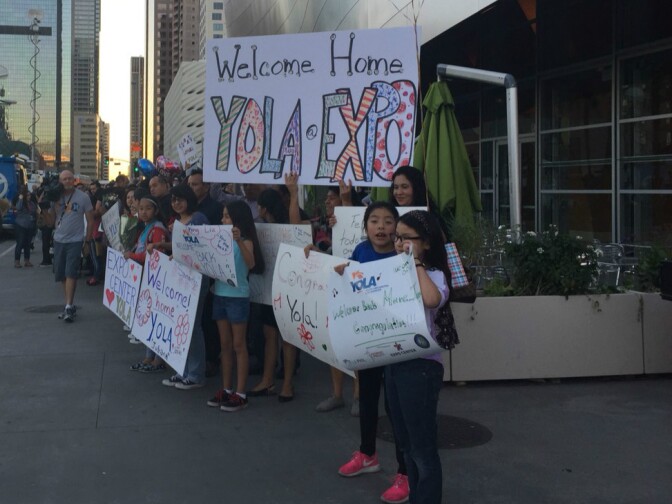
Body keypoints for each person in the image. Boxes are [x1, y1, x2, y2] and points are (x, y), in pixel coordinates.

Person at [328, 201, 410, 504]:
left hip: (398, 343)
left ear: (397, 228)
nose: (381, 227)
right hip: (368, 342)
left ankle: (405, 471)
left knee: (395, 408)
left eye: (389, 221)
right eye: (374, 221)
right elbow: (349, 284)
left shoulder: (405, 255)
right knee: (367, 399)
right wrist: (341, 271)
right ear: (366, 227)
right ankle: (367, 454)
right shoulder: (361, 252)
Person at [386, 210, 450, 504]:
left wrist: (416, 263)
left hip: (422, 367)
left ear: (424, 242)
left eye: (406, 238)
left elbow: (432, 299)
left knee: (422, 446)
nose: (399, 243)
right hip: (395, 362)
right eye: (397, 237)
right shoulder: (391, 269)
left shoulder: (433, 273)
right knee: (406, 444)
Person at [208, 200, 264, 412]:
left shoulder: (246, 240)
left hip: (238, 296)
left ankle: (240, 392)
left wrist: (239, 241)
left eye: (227, 216)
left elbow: (251, 264)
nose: (223, 220)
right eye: (222, 216)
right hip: (220, 294)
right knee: (225, 345)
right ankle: (227, 388)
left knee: (239, 345)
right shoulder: (218, 239)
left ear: (238, 219)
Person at [154, 184, 209, 389]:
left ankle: (195, 374)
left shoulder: (199, 219)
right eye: (173, 200)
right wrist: (163, 246)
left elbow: (203, 248)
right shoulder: (177, 221)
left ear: (189, 199)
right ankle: (183, 369)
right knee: (181, 326)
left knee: (192, 327)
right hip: (180, 279)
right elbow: (180, 248)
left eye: (180, 199)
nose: (176, 203)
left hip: (196, 279)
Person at [247, 188, 296, 402]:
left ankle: (286, 384)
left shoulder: (286, 227)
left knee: (286, 337)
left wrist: (294, 193)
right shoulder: (261, 229)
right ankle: (269, 379)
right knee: (271, 335)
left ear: (264, 207)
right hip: (269, 288)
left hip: (285, 288)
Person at [126, 195, 170, 372]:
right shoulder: (147, 227)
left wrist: (133, 256)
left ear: (156, 210)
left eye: (148, 208)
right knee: (148, 316)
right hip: (147, 278)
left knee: (155, 317)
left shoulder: (157, 229)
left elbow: (155, 256)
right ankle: (148, 357)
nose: (143, 212)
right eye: (141, 208)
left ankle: (157, 360)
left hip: (155, 279)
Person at [50, 170, 94, 322]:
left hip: (75, 241)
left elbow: (91, 220)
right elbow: (50, 221)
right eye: (64, 179)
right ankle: (69, 303)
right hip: (59, 240)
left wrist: (87, 241)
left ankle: (69, 305)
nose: (67, 181)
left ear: (74, 180)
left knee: (71, 272)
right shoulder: (55, 196)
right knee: (62, 274)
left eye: (69, 179)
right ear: (59, 181)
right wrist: (46, 204)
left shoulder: (83, 197)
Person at [12, 185, 38, 268]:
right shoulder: (21, 203)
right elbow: (18, 207)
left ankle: (27, 260)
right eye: (27, 195)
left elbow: (35, 211)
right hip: (21, 225)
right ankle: (17, 261)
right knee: (20, 243)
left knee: (27, 244)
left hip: (29, 225)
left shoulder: (32, 203)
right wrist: (20, 198)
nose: (29, 197)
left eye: (30, 195)